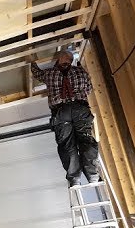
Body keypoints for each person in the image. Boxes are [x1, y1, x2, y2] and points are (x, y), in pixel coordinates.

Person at [28, 50, 100, 187]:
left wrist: (32, 62)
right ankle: (93, 176)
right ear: (71, 60)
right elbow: (89, 89)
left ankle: (74, 179)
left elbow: (37, 73)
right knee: (86, 141)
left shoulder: (50, 73)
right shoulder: (80, 72)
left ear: (59, 60)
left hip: (61, 112)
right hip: (80, 109)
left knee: (67, 145)